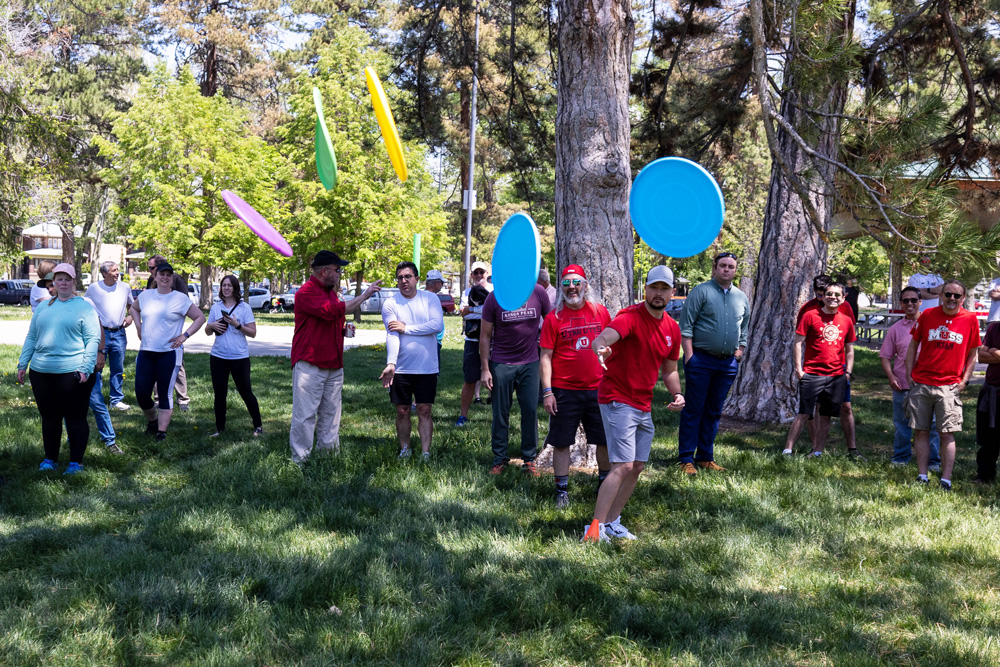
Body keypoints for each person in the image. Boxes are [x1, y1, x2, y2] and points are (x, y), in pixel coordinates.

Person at [582, 266, 684, 542]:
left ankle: (613, 522)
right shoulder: (630, 317)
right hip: (617, 398)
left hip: (643, 403)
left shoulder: (672, 329)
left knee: (637, 465)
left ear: (672, 293)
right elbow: (604, 338)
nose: (659, 293)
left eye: (664, 289)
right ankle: (594, 528)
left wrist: (677, 394)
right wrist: (601, 346)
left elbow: (670, 370)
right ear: (646, 290)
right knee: (623, 466)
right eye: (654, 288)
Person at [290, 250, 381, 464]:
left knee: (331, 416)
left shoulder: (330, 291)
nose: (340, 273)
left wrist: (342, 330)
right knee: (305, 416)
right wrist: (365, 295)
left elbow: (331, 317)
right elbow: (332, 311)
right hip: (310, 364)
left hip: (333, 363)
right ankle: (300, 462)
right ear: (324, 271)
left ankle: (328, 458)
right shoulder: (306, 292)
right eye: (337, 269)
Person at [17, 263, 100, 474]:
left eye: (67, 279)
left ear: (74, 282)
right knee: (49, 418)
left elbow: (93, 339)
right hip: (41, 372)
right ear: (53, 282)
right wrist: (22, 364)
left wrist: (86, 367)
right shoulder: (44, 307)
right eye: (59, 279)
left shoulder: (84, 307)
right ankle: (50, 460)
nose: (63, 283)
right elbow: (32, 336)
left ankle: (75, 463)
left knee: (75, 418)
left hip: (73, 373)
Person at [539, 264, 611, 507]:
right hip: (564, 391)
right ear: (561, 288)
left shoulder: (600, 313)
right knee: (561, 441)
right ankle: (562, 491)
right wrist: (548, 392)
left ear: (585, 285)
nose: (572, 287)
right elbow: (545, 357)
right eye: (566, 283)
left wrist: (608, 354)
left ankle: (604, 485)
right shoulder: (553, 318)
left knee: (603, 440)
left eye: (576, 282)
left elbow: (613, 347)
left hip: (598, 389)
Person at [677, 251, 750, 474]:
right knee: (693, 409)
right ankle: (686, 458)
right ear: (715, 268)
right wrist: (689, 357)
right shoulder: (701, 291)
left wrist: (739, 352)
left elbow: (744, 329)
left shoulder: (741, 297)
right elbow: (686, 326)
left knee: (714, 411)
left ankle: (705, 457)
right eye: (723, 266)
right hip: (701, 360)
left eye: (731, 266)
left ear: (735, 270)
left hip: (727, 364)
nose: (727, 269)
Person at [905, 279, 980, 490]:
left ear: (963, 298)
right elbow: (913, 344)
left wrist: (965, 380)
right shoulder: (928, 315)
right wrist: (909, 372)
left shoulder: (970, 319)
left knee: (947, 432)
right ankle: (922, 475)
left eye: (957, 296)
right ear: (941, 295)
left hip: (949, 385)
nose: (952, 299)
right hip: (922, 382)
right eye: (948, 294)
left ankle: (946, 479)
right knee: (920, 430)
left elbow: (973, 352)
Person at [480, 275, 552, 474]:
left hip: (530, 362)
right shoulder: (495, 298)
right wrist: (485, 369)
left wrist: (550, 351)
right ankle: (499, 458)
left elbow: (552, 321)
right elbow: (485, 335)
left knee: (529, 411)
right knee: (500, 412)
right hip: (501, 363)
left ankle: (529, 459)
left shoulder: (538, 292)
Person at [130, 262, 206, 441]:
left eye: (168, 275)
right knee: (141, 393)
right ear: (155, 277)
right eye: (161, 274)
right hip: (147, 351)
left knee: (164, 392)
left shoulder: (180, 298)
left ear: (171, 278)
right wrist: (139, 327)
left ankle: (161, 432)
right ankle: (152, 421)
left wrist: (184, 336)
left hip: (169, 352)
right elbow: (133, 308)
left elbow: (200, 317)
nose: (164, 277)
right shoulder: (146, 295)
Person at [379, 262, 445, 460]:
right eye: (400, 277)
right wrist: (391, 363)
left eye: (408, 276)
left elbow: (436, 325)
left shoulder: (430, 299)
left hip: (427, 366)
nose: (404, 281)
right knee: (402, 410)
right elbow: (392, 335)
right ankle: (405, 450)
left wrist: (406, 328)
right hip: (402, 368)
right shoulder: (391, 303)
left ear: (417, 279)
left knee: (424, 409)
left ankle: (425, 453)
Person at [783, 282, 857, 457]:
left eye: (837, 295)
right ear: (823, 296)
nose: (833, 297)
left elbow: (850, 349)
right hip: (812, 373)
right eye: (829, 294)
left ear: (843, 298)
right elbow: (798, 342)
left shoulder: (846, 320)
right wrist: (799, 370)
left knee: (826, 416)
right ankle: (787, 450)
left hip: (836, 375)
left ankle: (818, 451)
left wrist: (848, 373)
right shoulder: (810, 315)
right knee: (804, 413)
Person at [878, 287, 941, 469]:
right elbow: (885, 355)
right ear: (901, 304)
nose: (910, 304)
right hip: (902, 384)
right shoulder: (896, 329)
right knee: (902, 424)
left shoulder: (932, 323)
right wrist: (890, 376)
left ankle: (932, 461)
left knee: (931, 425)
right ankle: (901, 458)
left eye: (914, 300)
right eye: (906, 301)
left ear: (920, 302)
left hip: (929, 383)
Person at [205, 275, 263, 437]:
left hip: (239, 357)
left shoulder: (244, 308)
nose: (226, 288)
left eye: (230, 285)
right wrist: (211, 325)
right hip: (218, 356)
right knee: (219, 393)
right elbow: (207, 332)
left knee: (246, 392)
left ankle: (258, 425)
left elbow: (253, 333)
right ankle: (220, 429)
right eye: (224, 285)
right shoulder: (216, 307)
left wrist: (237, 325)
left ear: (235, 288)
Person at [85, 261, 134, 411]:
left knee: (117, 368)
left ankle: (116, 399)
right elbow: (85, 305)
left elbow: (132, 306)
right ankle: (96, 399)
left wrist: (130, 317)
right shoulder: (94, 288)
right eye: (113, 270)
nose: (117, 273)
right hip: (101, 332)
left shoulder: (125, 287)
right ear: (105, 273)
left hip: (119, 332)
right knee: (97, 367)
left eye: (117, 270)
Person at [147, 255, 192, 411]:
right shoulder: (151, 282)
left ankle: (183, 399)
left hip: (172, 330)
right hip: (154, 332)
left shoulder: (176, 279)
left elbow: (185, 302)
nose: (150, 271)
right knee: (155, 364)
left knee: (177, 366)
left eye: (151, 268)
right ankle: (159, 398)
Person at [456, 261, 493, 425]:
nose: (479, 275)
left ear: (487, 274)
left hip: (494, 342)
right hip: (472, 341)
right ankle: (463, 415)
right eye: (475, 273)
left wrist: (471, 309)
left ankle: (498, 418)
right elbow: (463, 314)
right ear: (471, 275)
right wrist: (478, 311)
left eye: (482, 272)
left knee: (498, 381)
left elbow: (494, 312)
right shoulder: (466, 292)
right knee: (470, 379)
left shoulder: (494, 290)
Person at [975, 319, 1000, 483]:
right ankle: (985, 476)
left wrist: (991, 350)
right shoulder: (994, 328)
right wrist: (994, 352)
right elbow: (981, 356)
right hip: (991, 391)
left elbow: (986, 353)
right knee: (988, 438)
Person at [424, 268, 446, 370]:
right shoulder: (433, 298)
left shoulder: (421, 296)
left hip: (430, 339)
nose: (442, 285)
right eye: (441, 283)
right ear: (436, 283)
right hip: (433, 340)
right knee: (432, 370)